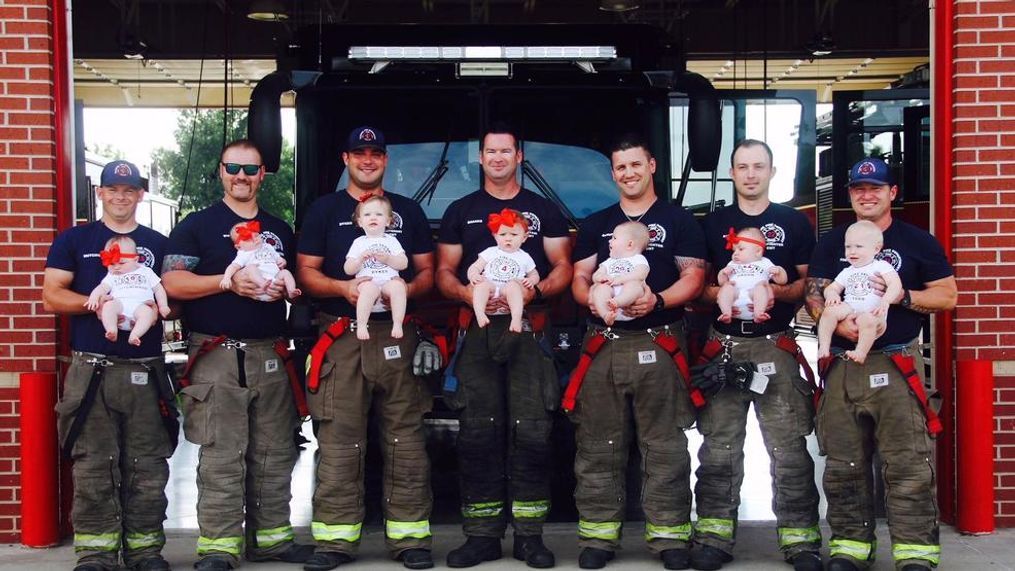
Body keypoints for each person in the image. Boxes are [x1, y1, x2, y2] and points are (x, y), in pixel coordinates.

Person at [162, 140, 311, 571]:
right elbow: (173, 283)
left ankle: (272, 541)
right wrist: (226, 283)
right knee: (222, 453)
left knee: (274, 452)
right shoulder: (197, 226)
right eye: (233, 168)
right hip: (215, 355)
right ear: (221, 172)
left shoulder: (280, 229)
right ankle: (219, 548)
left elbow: (295, 283)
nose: (241, 176)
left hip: (270, 354)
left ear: (264, 173)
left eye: (250, 169)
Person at [806, 157, 956, 571]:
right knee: (842, 462)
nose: (866, 195)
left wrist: (903, 297)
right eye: (858, 189)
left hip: (897, 364)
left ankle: (915, 554)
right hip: (843, 365)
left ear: (892, 193)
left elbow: (947, 296)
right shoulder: (832, 242)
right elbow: (815, 295)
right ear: (850, 195)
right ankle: (851, 549)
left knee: (908, 461)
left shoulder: (918, 242)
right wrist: (837, 325)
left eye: (875, 188)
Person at [297, 126, 437, 571]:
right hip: (341, 336)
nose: (368, 159)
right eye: (360, 152)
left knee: (406, 438)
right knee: (339, 438)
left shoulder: (408, 212)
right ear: (346, 158)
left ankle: (410, 538)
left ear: (385, 160)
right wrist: (345, 287)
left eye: (376, 152)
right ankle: (335, 542)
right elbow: (306, 274)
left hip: (395, 335)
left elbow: (428, 274)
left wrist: (400, 290)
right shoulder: (324, 210)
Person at [436, 124, 572, 569]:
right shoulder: (462, 210)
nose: (497, 158)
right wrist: (466, 295)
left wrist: (533, 293)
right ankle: (482, 537)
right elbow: (444, 273)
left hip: (528, 333)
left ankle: (530, 537)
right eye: (489, 152)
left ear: (519, 155)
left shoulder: (543, 210)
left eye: (505, 151)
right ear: (480, 158)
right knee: (478, 432)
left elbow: (562, 267)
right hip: (476, 335)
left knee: (532, 430)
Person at [568, 133, 706, 570]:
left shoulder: (678, 219)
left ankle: (669, 536)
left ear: (651, 166)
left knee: (664, 443)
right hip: (604, 345)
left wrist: (659, 300)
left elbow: (695, 277)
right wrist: (588, 298)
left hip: (660, 340)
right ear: (613, 173)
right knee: (598, 442)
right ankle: (598, 537)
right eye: (620, 167)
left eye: (635, 164)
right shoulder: (596, 223)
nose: (628, 173)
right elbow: (579, 276)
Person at [42, 159, 176, 571]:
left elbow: (175, 295)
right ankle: (96, 553)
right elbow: (51, 296)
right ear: (100, 192)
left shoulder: (158, 241)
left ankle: (146, 551)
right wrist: (94, 303)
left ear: (140, 194)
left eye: (130, 189)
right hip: (92, 367)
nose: (121, 196)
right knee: (94, 462)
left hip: (146, 367)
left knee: (148, 462)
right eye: (113, 189)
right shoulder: (74, 239)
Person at [694, 139, 821, 571]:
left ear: (772, 171)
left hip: (776, 342)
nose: (750, 174)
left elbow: (808, 285)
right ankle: (713, 537)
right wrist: (726, 293)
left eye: (759, 166)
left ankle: (800, 540)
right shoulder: (713, 224)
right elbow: (700, 285)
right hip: (724, 342)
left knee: (788, 446)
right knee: (719, 446)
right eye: (743, 167)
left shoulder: (795, 223)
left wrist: (771, 291)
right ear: (732, 173)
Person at [818, 220, 902, 364]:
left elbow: (895, 284)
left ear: (876, 249)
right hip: (851, 308)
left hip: (874, 314)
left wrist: (886, 301)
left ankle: (861, 352)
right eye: (848, 247)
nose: (852, 251)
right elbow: (832, 287)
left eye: (859, 246)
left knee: (867, 320)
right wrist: (832, 294)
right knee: (829, 312)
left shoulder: (881, 266)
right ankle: (824, 346)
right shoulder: (847, 271)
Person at [343, 194, 410, 340]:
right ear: (360, 222)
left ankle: (397, 323)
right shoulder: (359, 243)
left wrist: (388, 258)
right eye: (367, 214)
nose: (373, 218)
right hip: (367, 282)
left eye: (379, 214)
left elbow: (403, 263)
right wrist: (360, 259)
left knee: (398, 288)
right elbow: (348, 269)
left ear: (388, 221)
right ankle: (361, 325)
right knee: (369, 289)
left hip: (388, 283)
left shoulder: (392, 241)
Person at [86, 235, 171, 345]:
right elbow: (101, 288)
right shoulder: (112, 275)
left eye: (121, 263)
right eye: (111, 263)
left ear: (135, 259)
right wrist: (93, 298)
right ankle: (112, 330)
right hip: (119, 306)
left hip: (140, 306)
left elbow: (158, 289)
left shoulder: (146, 272)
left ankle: (135, 335)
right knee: (108, 306)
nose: (116, 267)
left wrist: (163, 305)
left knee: (147, 313)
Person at [467, 208, 539, 332]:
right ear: (495, 236)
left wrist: (532, 281)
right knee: (481, 285)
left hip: (509, 295)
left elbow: (534, 273)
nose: (508, 238)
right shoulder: (490, 252)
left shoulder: (524, 256)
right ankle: (479, 314)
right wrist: (473, 275)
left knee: (513, 286)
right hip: (490, 290)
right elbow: (475, 266)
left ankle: (516, 319)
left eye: (514, 234)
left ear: (524, 237)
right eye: (502, 234)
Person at [715, 227, 788, 324]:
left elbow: (782, 281)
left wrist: (779, 271)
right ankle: (726, 313)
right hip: (735, 298)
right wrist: (723, 273)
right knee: (727, 287)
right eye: (734, 250)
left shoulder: (765, 263)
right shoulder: (732, 264)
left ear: (758, 251)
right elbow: (722, 283)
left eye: (741, 249)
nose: (735, 253)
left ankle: (759, 314)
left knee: (760, 287)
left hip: (754, 297)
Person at [589, 221, 651, 326]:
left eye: (614, 238)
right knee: (600, 288)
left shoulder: (638, 259)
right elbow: (596, 275)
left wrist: (620, 280)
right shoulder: (609, 261)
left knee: (634, 285)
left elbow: (641, 274)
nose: (609, 241)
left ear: (630, 244)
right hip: (609, 302)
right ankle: (606, 315)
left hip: (630, 304)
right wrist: (601, 278)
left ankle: (617, 302)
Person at [220, 220, 301, 299]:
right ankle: (262, 283)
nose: (255, 239)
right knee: (250, 268)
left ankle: (291, 291)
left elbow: (278, 258)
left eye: (256, 235)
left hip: (275, 281)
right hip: (257, 286)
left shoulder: (268, 246)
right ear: (238, 247)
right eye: (248, 239)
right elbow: (233, 266)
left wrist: (282, 261)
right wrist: (227, 278)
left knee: (285, 272)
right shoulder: (244, 253)